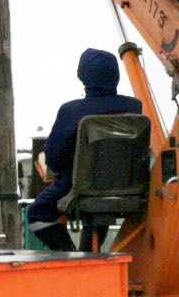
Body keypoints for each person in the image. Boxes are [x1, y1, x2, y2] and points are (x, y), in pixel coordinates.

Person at [26, 48, 144, 250]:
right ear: (115, 74)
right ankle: (89, 254)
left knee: (38, 212)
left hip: (79, 185)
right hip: (127, 187)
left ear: (82, 75)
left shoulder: (71, 110)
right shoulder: (134, 107)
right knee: (98, 214)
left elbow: (54, 159)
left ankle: (69, 254)